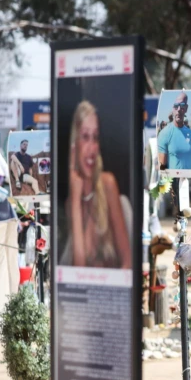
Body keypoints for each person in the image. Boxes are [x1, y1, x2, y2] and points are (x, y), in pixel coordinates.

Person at [63, 100, 132, 269]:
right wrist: (76, 202)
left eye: (95, 138)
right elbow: (79, 268)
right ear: (74, 144)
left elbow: (128, 261)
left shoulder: (107, 184)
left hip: (113, 285)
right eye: (85, 137)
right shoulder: (71, 202)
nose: (92, 148)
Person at [156, 90, 191, 172]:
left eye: (182, 105)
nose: (178, 109)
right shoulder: (164, 134)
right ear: (173, 109)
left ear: (186, 108)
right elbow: (162, 169)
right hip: (173, 180)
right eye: (176, 106)